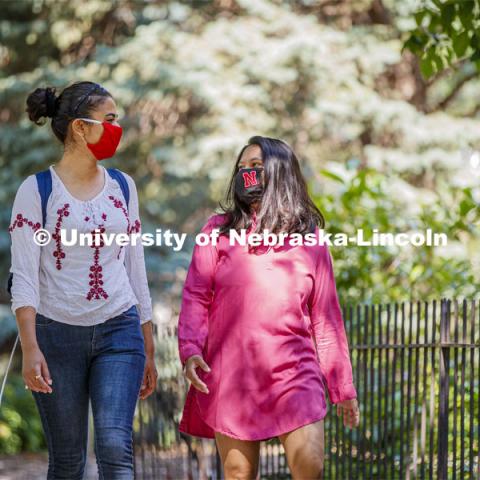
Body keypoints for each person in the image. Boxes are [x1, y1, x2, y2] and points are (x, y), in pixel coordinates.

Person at [177, 136, 360, 480]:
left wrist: (343, 388)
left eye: (257, 167)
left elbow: (326, 318)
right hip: (232, 374)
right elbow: (196, 296)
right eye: (242, 168)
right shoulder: (217, 232)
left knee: (310, 466)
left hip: (295, 372)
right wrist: (189, 350)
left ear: (280, 173)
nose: (247, 174)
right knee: (237, 474)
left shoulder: (310, 240)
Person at [8, 81, 157, 480]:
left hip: (118, 329)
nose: (115, 129)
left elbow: (135, 269)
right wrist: (30, 348)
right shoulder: (36, 191)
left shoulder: (124, 187)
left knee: (115, 449)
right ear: (79, 127)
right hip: (56, 335)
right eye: (108, 120)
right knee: (69, 461)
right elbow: (22, 277)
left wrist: (148, 343)